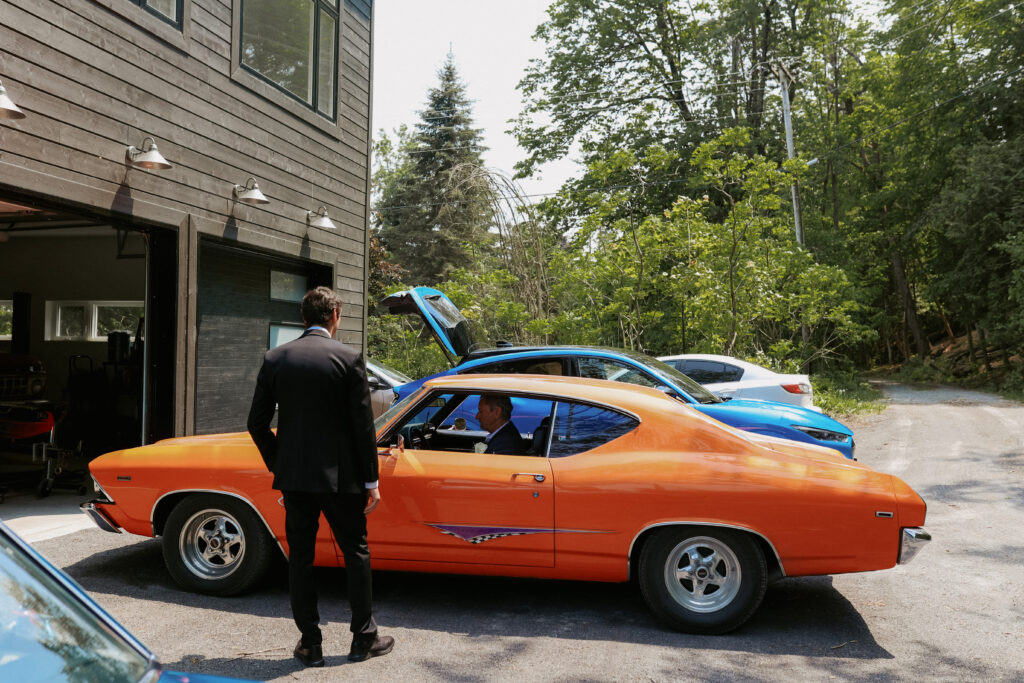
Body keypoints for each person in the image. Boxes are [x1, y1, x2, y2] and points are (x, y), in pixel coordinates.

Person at [247, 286, 394, 667]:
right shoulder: (348, 357)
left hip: (295, 476)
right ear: (335, 316)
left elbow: (257, 423)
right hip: (342, 477)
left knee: (301, 558)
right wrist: (371, 480)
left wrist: (280, 464)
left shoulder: (276, 357)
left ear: (303, 318)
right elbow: (363, 427)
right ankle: (364, 637)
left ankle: (310, 643)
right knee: (356, 552)